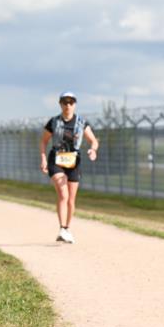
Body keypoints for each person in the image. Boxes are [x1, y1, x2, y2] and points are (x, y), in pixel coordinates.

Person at [40, 92, 99, 243]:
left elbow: (93, 140)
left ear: (75, 104)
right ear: (60, 104)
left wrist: (93, 150)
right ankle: (61, 228)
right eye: (65, 102)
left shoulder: (81, 122)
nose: (68, 105)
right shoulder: (53, 122)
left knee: (71, 200)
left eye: (71, 102)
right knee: (63, 195)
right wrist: (44, 159)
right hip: (57, 160)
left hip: (74, 161)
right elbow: (43, 142)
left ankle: (67, 229)